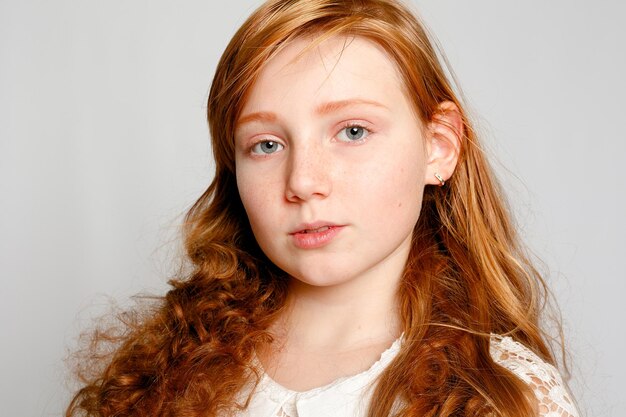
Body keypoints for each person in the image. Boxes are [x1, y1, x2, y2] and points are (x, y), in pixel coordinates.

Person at [66, 1, 581, 416]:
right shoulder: (162, 373)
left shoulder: (508, 399)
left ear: (438, 147)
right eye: (266, 145)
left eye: (353, 132)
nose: (304, 182)